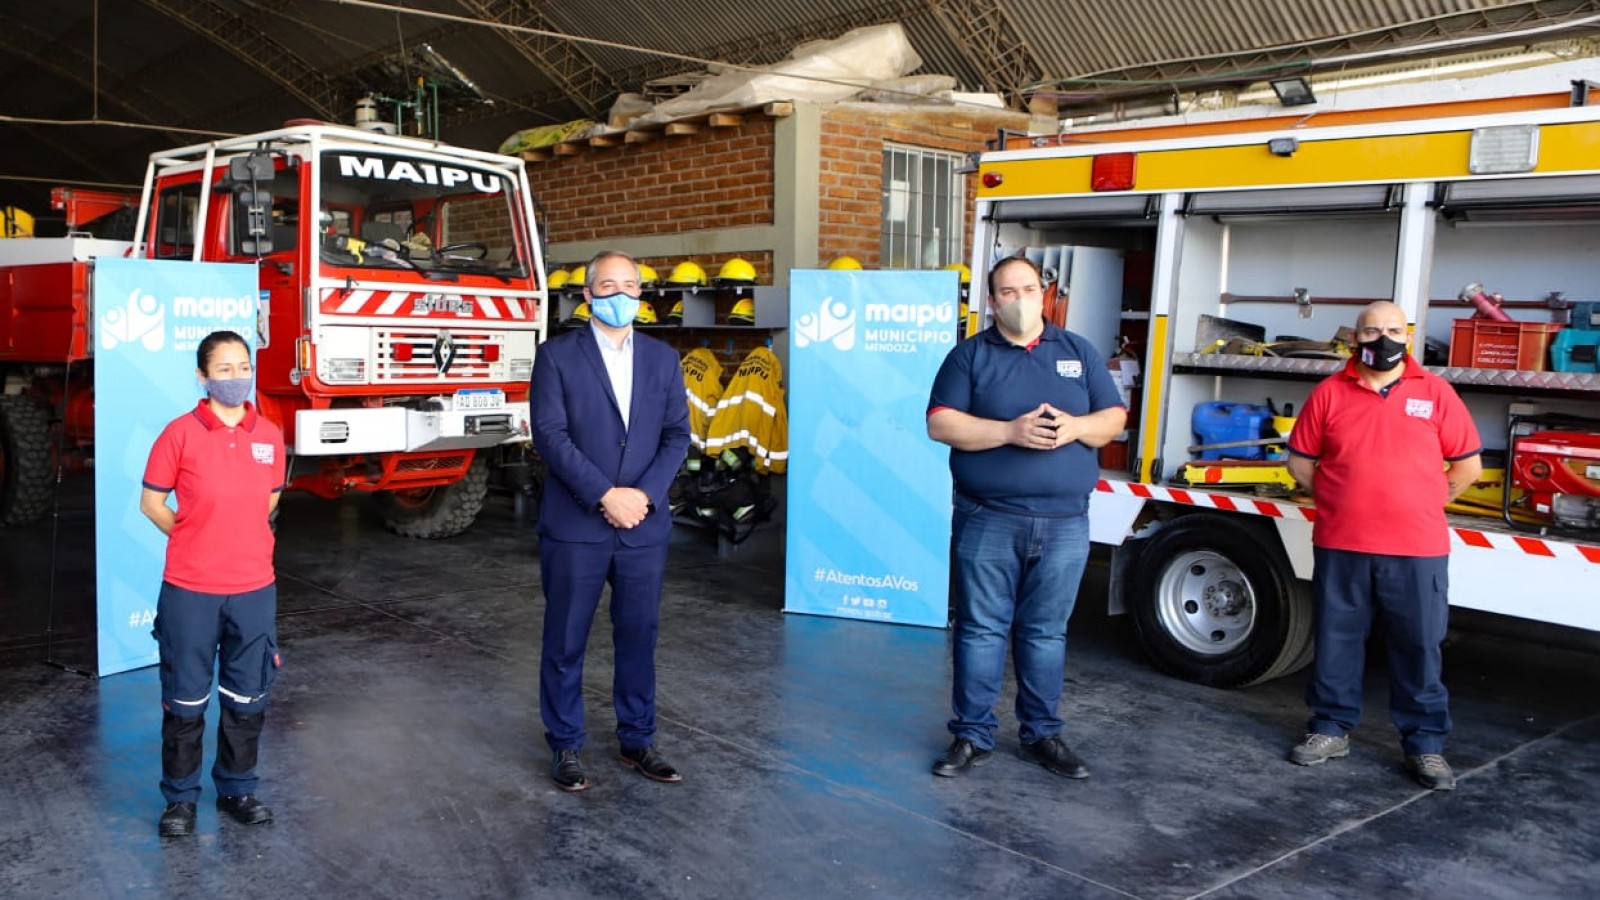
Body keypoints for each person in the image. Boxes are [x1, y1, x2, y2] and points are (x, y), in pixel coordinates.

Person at [925, 256, 1127, 779]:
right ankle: (972, 736)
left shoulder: (1078, 351)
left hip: (1065, 523)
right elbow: (941, 423)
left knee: (1045, 633)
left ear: (1045, 294)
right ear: (992, 301)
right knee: (980, 630)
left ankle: (1042, 736)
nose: (1020, 300)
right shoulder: (970, 356)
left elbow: (1113, 418)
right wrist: (1009, 432)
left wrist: (1076, 427)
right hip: (988, 519)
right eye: (1008, 292)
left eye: (1029, 289)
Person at [1285, 301, 1482, 791]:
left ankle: (1425, 744)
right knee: (1337, 639)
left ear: (1408, 337)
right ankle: (1330, 728)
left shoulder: (1435, 392)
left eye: (1393, 329)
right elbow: (1300, 462)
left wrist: (1425, 500)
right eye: (1372, 331)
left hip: (1417, 547)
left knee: (1419, 645)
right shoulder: (1330, 393)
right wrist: (1339, 499)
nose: (1384, 339)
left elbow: (1468, 467)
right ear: (1355, 339)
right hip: (1342, 542)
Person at [529, 250, 691, 792]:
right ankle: (565, 743)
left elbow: (676, 436)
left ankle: (637, 739)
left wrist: (642, 495)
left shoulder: (663, 360)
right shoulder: (556, 357)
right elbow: (550, 435)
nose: (620, 295)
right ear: (588, 295)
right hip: (577, 526)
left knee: (639, 635)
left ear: (641, 295)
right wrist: (604, 494)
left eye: (630, 286)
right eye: (608, 286)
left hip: (642, 525)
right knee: (566, 638)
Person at [139, 330, 286, 837]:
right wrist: (193, 532)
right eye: (224, 369)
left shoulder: (269, 435)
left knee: (247, 697)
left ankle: (237, 789)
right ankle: (180, 800)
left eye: (243, 367)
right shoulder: (179, 434)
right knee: (185, 701)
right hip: (191, 590)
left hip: (253, 589)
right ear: (202, 377)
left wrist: (236, 532)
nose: (236, 377)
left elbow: (269, 499)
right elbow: (151, 502)